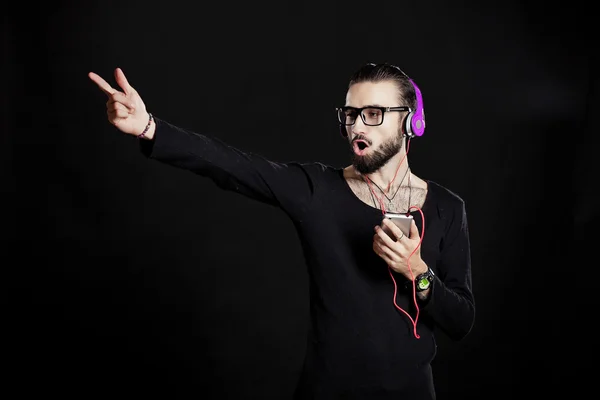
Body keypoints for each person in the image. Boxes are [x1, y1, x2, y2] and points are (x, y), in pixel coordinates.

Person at [88, 62, 475, 400]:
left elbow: (460, 320)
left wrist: (417, 273)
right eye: (351, 113)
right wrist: (149, 128)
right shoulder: (317, 190)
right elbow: (232, 164)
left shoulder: (446, 208)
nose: (356, 124)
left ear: (411, 120)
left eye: (373, 113)